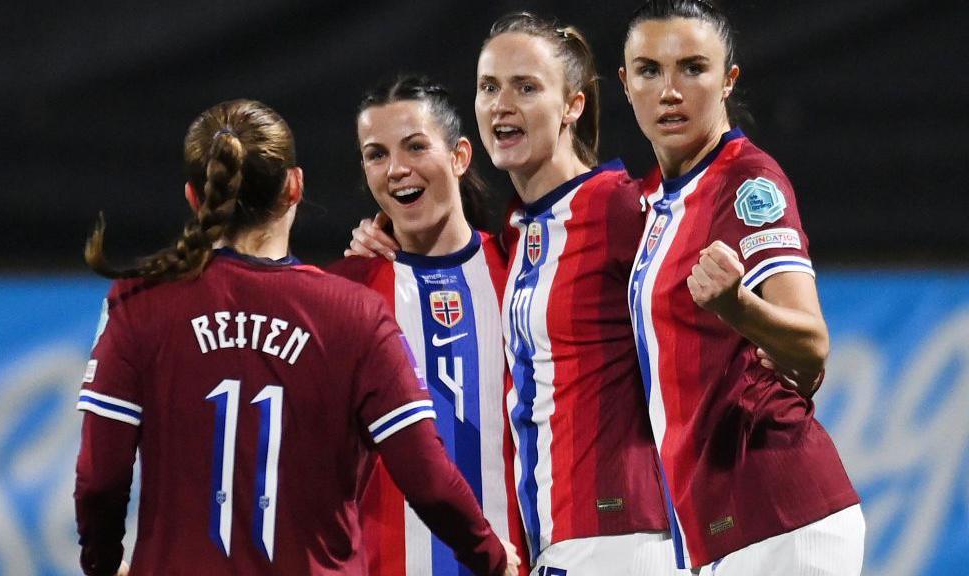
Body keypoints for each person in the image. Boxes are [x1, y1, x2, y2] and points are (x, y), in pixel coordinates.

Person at [73, 98, 517, 575]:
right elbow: (428, 479)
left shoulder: (138, 302)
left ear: (193, 198)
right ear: (295, 186)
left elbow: (100, 480)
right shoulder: (354, 312)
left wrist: (103, 564)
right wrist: (492, 559)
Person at [350, 13, 683, 575]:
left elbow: (698, 336)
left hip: (618, 537)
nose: (502, 104)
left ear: (572, 104)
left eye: (526, 87)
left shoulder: (621, 207)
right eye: (489, 88)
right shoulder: (520, 237)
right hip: (553, 544)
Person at [618, 1, 863, 573]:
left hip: (780, 521)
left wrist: (738, 305)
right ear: (625, 84)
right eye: (650, 70)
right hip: (721, 529)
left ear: (728, 81)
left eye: (693, 68)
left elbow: (811, 342)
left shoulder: (748, 182)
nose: (670, 90)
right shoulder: (657, 199)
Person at [328, 76, 527, 576]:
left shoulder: (525, 269)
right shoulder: (342, 294)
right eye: (376, 155)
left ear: (460, 157)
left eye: (415, 146)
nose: (396, 169)